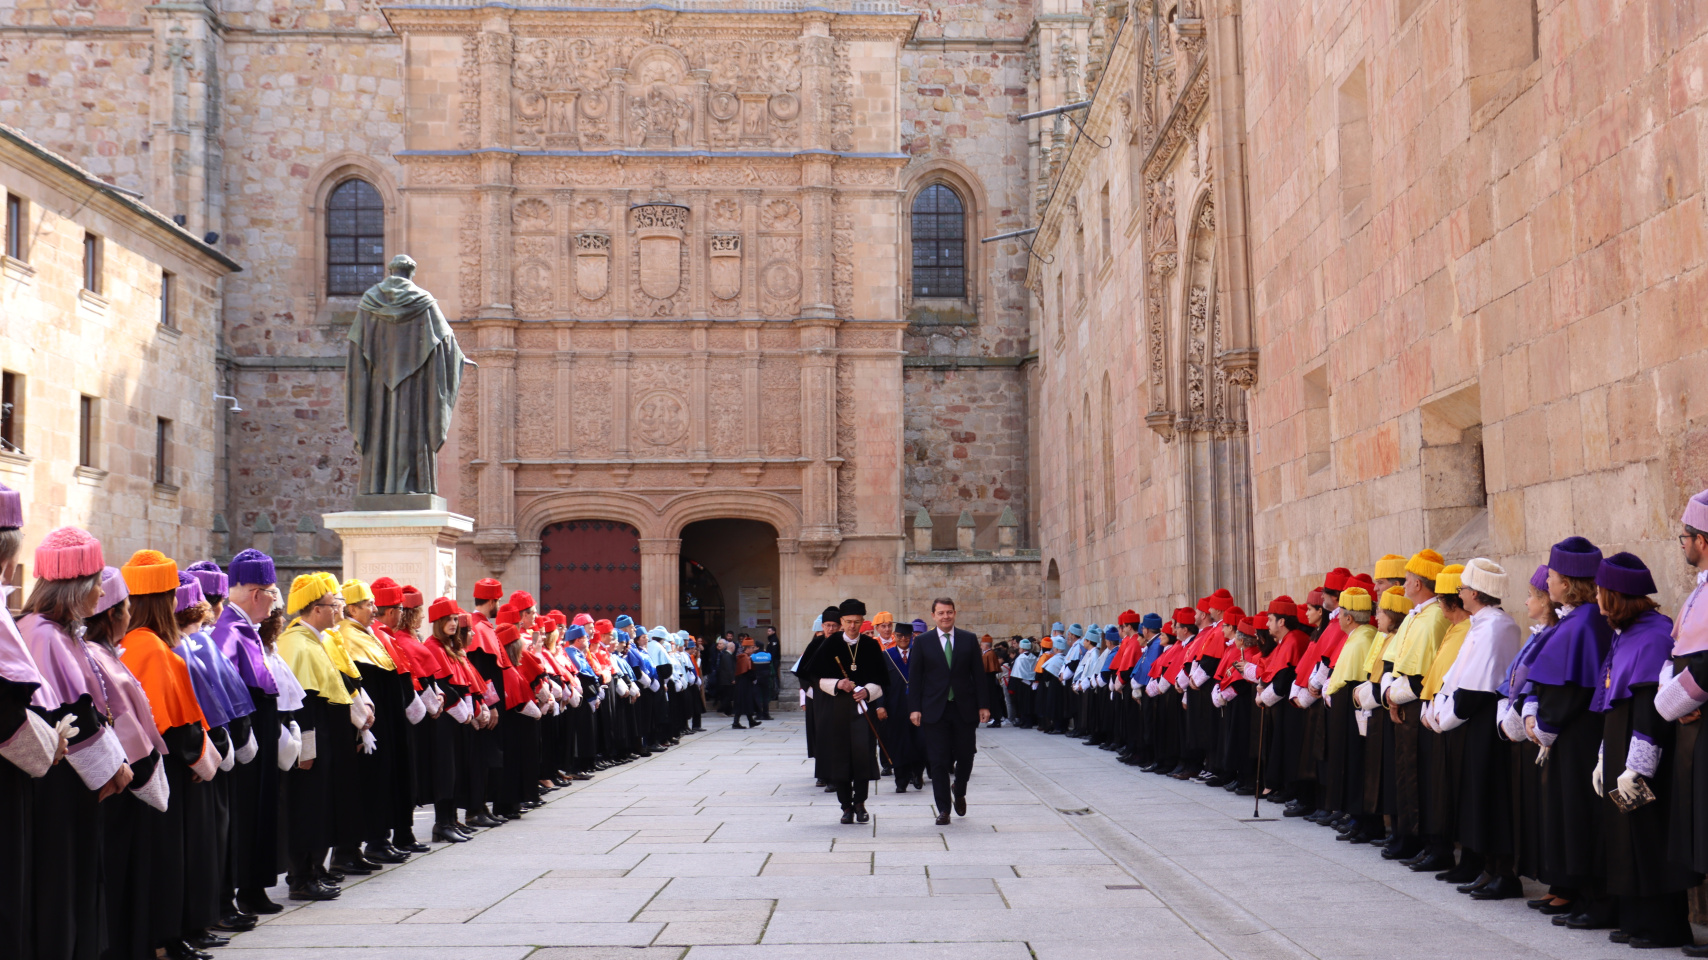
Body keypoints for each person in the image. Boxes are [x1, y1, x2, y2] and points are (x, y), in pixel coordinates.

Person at [800, 599, 887, 822]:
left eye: (857, 622)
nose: (852, 626)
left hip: (861, 712)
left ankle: (860, 804)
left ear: (863, 622)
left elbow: (882, 679)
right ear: (841, 621)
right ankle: (846, 807)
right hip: (835, 711)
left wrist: (867, 691)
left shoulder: (870, 646)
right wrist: (838, 684)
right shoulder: (829, 644)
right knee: (840, 759)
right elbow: (814, 677)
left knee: (862, 758)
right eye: (848, 622)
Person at [909, 597, 991, 825]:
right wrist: (914, 708)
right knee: (937, 760)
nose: (946, 616)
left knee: (966, 755)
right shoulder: (923, 642)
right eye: (941, 613)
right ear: (933, 616)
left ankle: (960, 788)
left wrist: (984, 705)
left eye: (949, 612)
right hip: (934, 710)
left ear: (955, 613)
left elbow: (978, 675)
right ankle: (943, 809)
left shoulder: (967, 639)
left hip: (963, 708)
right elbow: (915, 678)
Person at [877, 619, 925, 792]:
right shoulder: (886, 656)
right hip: (894, 706)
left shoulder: (919, 655)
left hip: (917, 707)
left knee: (919, 742)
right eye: (900, 635)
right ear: (894, 636)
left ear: (912, 637)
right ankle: (901, 779)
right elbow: (880, 683)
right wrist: (880, 705)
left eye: (907, 636)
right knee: (898, 743)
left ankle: (917, 774)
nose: (903, 639)